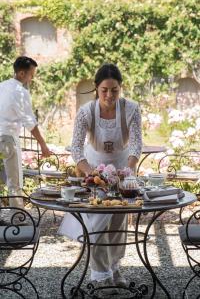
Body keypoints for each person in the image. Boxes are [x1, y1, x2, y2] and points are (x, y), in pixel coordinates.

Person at [59, 63, 142, 294]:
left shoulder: (131, 109)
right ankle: (101, 277)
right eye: (104, 90)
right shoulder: (86, 111)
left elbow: (136, 143)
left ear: (120, 88)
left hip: (123, 169)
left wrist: (129, 169)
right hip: (93, 171)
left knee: (118, 223)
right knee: (96, 225)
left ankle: (115, 271)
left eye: (114, 90)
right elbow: (76, 148)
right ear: (97, 88)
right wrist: (91, 173)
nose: (109, 95)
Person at [0, 56, 51, 208]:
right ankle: (18, 219)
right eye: (31, 75)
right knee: (14, 181)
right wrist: (43, 144)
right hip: (7, 139)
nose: (31, 79)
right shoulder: (21, 92)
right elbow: (29, 122)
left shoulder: (2, 86)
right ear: (22, 74)